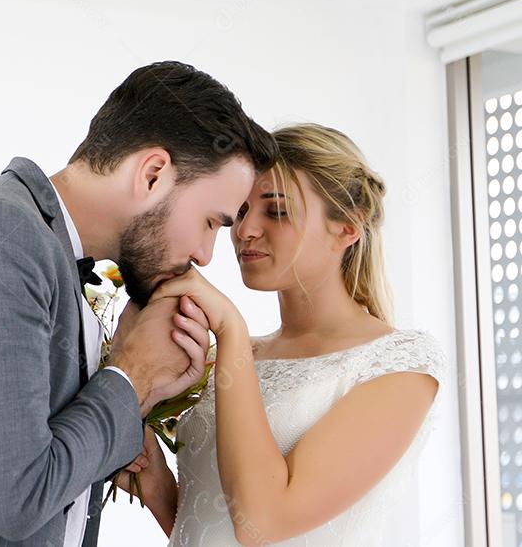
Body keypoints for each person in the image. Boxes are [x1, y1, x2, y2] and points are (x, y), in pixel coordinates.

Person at [0, 61, 278, 546]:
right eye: (211, 222)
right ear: (153, 174)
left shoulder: (49, 254)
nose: (205, 254)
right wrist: (134, 377)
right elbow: (15, 498)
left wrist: (143, 390)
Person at [122, 123, 447, 546]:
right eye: (241, 211)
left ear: (347, 227)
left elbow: (264, 522)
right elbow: (209, 529)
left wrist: (231, 327)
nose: (244, 230)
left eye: (276, 211)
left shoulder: (401, 365)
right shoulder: (229, 357)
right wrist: (159, 488)